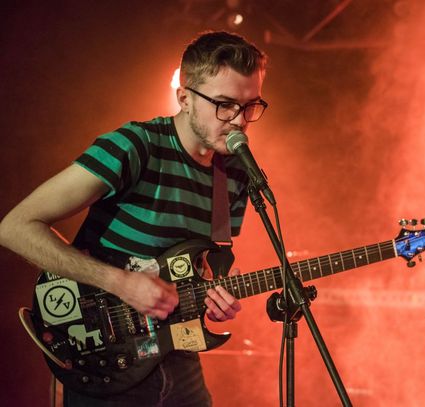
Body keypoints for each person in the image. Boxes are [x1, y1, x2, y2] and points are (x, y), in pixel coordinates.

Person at [0, 30, 268, 406]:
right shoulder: (135, 146)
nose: (239, 120)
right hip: (105, 359)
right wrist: (120, 283)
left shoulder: (237, 174)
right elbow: (14, 228)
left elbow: (199, 272)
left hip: (178, 360)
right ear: (185, 98)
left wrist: (215, 299)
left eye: (250, 106)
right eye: (225, 105)